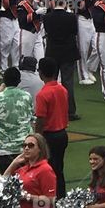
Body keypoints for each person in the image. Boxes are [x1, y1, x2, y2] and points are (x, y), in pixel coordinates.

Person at [0, 66, 34, 172]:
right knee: (24, 181)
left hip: (3, 149)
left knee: (6, 180)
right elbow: (31, 118)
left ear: (4, 80)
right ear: (19, 81)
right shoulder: (27, 97)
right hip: (23, 147)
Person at [34, 57, 68, 197]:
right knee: (59, 169)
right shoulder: (62, 89)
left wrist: (37, 137)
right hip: (62, 134)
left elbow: (41, 119)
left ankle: (50, 198)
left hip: (49, 136)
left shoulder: (42, 94)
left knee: (47, 169)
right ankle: (61, 196)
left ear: (41, 73)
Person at [3, 133, 56, 208]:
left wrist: (27, 197)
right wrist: (14, 163)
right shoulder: (23, 169)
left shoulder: (45, 170)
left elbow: (50, 202)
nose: (26, 148)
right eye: (24, 145)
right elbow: (3, 182)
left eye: (31, 145)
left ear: (40, 149)